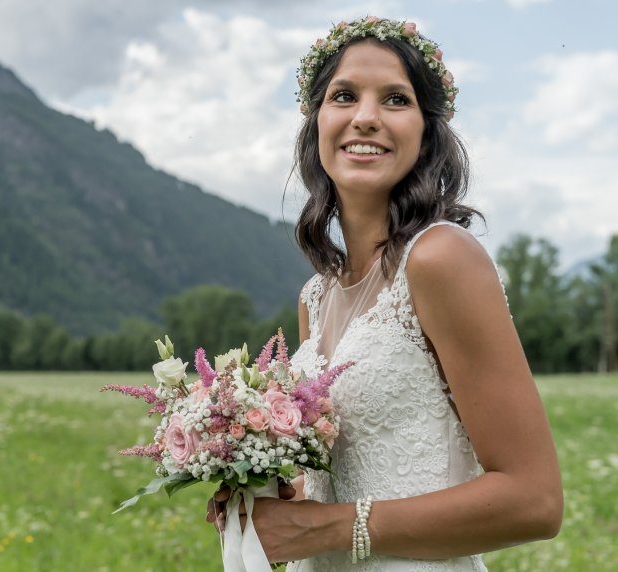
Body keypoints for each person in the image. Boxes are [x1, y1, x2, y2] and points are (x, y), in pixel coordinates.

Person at [205, 15, 563, 571]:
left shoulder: (442, 259)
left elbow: (534, 501)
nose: (365, 118)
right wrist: (268, 497)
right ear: (316, 123)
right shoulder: (315, 297)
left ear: (427, 131)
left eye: (395, 100)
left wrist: (322, 528)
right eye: (344, 96)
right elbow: (338, 477)